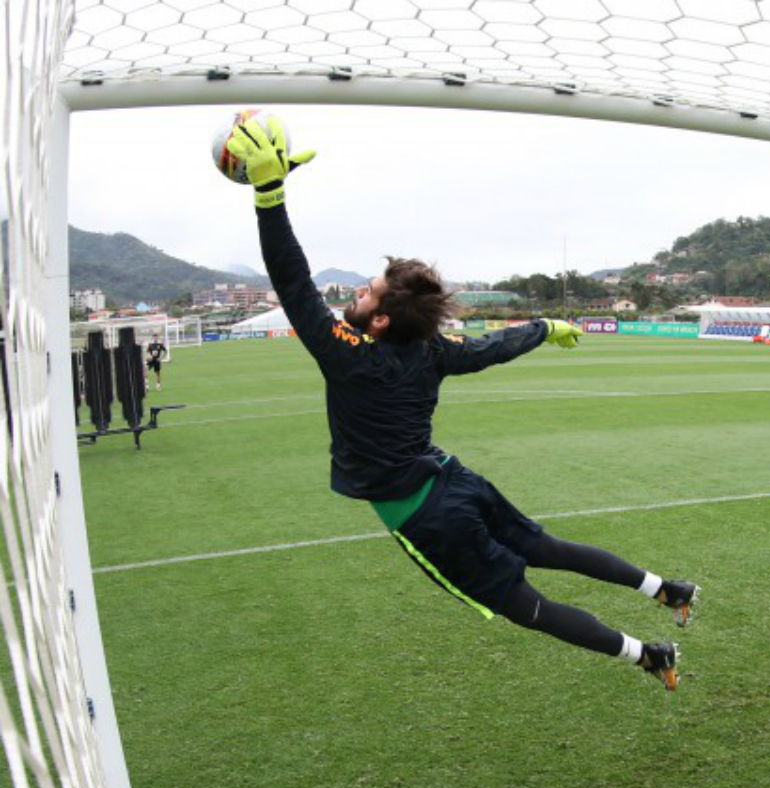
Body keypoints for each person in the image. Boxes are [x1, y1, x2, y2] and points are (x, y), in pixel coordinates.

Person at [226, 116, 700, 696]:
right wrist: (543, 325)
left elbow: (293, 285)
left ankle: (648, 654)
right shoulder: (428, 350)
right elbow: (486, 349)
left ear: (378, 320)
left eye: (366, 290)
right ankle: (665, 589)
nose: (355, 292)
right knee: (543, 548)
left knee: (523, 606)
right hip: (455, 480)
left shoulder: (352, 355)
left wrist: (270, 198)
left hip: (428, 516)